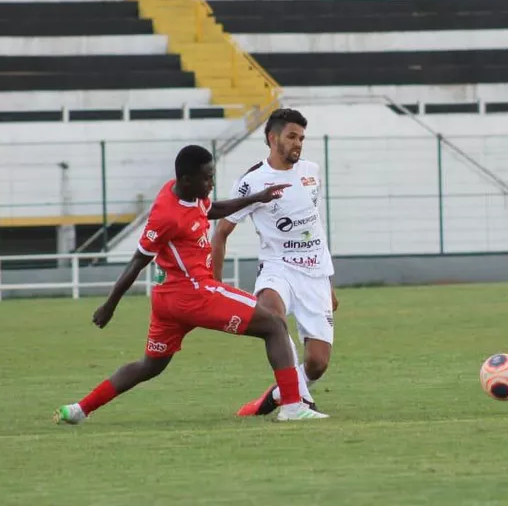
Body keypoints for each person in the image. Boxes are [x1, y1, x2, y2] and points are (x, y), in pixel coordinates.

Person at [53, 144, 329, 424]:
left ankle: (80, 409)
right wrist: (109, 305)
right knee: (274, 325)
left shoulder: (188, 193)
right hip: (195, 294)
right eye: (207, 178)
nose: (211, 183)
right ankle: (292, 405)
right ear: (187, 180)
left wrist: (257, 198)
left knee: (150, 365)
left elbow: (213, 209)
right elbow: (138, 260)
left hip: (168, 301)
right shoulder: (166, 216)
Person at [211, 108, 338, 417]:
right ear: (272, 138)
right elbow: (220, 233)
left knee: (318, 364)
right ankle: (297, 403)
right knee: (274, 318)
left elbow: (314, 226)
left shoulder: (311, 171)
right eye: (292, 136)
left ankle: (278, 395)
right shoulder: (251, 182)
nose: (298, 143)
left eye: (302, 138)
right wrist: (212, 286)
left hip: (315, 272)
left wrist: (328, 282)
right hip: (277, 267)